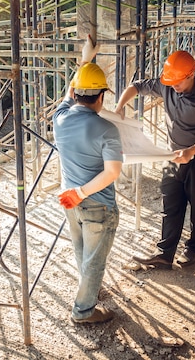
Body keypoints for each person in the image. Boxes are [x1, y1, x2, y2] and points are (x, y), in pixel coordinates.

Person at [114, 50, 195, 269]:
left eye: (178, 82)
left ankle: (194, 249)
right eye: (170, 81)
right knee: (171, 203)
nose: (173, 86)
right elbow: (136, 86)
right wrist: (120, 108)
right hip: (172, 155)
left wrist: (192, 151)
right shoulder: (166, 85)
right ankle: (164, 253)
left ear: (191, 74)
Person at [53, 36, 124, 324]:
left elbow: (70, 92)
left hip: (69, 198)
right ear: (102, 96)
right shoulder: (107, 128)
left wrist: (85, 59)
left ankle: (89, 291)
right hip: (95, 202)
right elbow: (112, 172)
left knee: (82, 251)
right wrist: (82, 192)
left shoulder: (60, 118)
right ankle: (83, 311)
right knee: (95, 261)